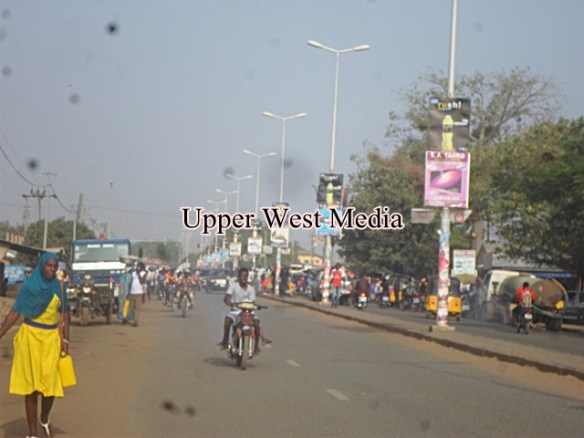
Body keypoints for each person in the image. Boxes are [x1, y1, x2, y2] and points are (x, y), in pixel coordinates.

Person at [0, 252, 70, 438]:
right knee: (31, 387)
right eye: (49, 266)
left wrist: (65, 339)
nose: (52, 269)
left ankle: (44, 418)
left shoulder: (59, 287)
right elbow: (15, 312)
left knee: (50, 386)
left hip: (51, 340)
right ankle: (32, 433)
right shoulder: (28, 287)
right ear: (41, 266)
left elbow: (64, 313)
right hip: (30, 339)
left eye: (55, 266)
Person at [217, 267, 271, 355]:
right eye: (242, 276)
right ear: (238, 277)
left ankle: (256, 347)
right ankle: (225, 341)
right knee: (227, 320)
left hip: (248, 312)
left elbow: (252, 302)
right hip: (235, 312)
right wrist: (229, 302)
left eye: (245, 276)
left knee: (257, 324)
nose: (244, 278)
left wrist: (257, 306)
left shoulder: (251, 289)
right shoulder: (233, 286)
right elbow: (227, 297)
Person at [128, 262, 146, 327]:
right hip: (132, 292)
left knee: (137, 308)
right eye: (137, 266)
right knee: (132, 308)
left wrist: (138, 274)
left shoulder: (143, 273)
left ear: (142, 267)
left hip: (139, 293)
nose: (138, 268)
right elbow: (130, 282)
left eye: (139, 267)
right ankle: (134, 319)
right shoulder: (133, 273)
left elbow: (142, 281)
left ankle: (136, 322)